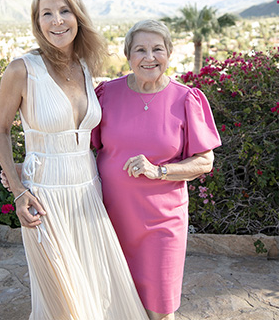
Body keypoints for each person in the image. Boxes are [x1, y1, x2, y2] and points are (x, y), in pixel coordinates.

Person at [0, 0, 147, 318]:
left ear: (78, 17)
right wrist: (18, 190)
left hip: (88, 192)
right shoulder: (22, 69)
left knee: (96, 288)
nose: (57, 20)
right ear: (37, 22)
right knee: (62, 302)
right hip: (43, 197)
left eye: (65, 11)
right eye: (47, 13)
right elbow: (0, 131)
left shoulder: (85, 67)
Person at [93, 19, 220, 320]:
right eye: (140, 50)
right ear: (128, 55)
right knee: (114, 303)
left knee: (159, 309)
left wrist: (159, 171)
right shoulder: (106, 95)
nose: (149, 57)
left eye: (157, 49)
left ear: (169, 53)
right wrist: (30, 168)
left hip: (162, 222)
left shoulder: (186, 99)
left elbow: (205, 161)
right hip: (109, 219)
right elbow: (81, 147)